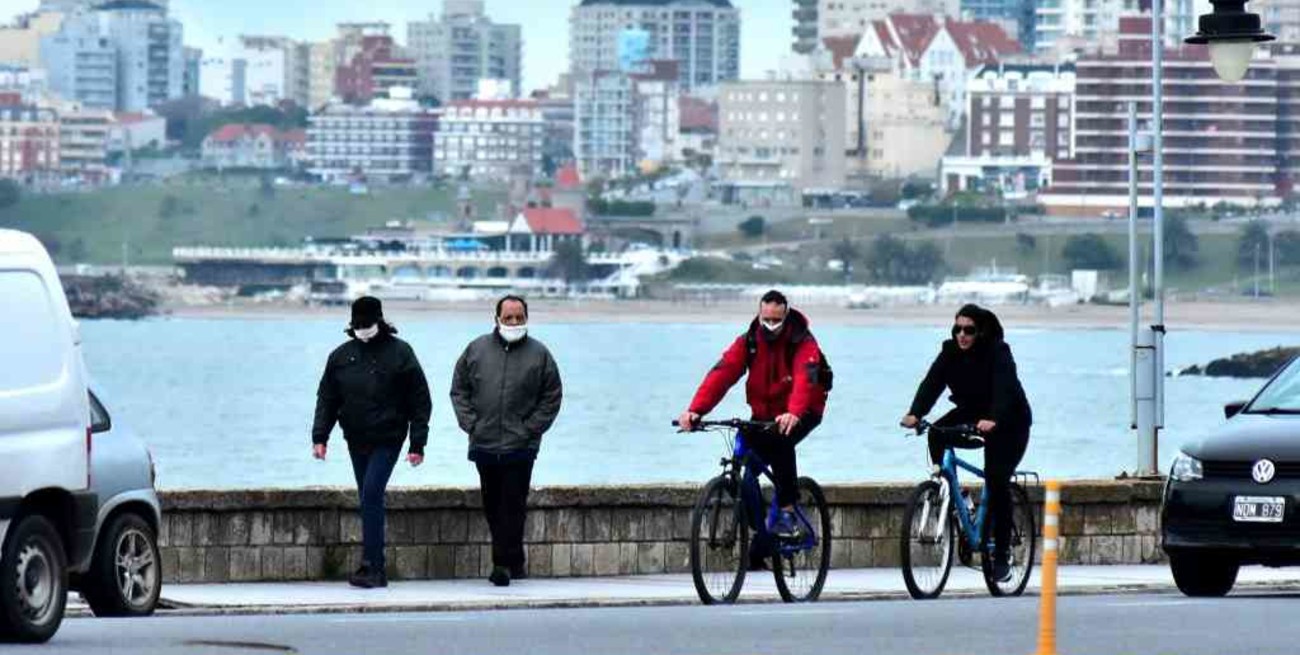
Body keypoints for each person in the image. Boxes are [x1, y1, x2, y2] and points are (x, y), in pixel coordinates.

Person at [677, 290, 829, 570]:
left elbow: (805, 381)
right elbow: (722, 373)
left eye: (776, 320)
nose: (770, 324)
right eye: (765, 319)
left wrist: (794, 412)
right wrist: (695, 410)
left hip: (804, 410)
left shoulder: (802, 341)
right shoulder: (749, 341)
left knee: (782, 441)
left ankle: (787, 511)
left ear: (785, 316)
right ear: (759, 315)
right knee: (747, 473)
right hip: (764, 415)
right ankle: (761, 542)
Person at [900, 303, 1032, 583]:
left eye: (969, 330)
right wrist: (916, 413)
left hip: (1009, 421)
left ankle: (1002, 556)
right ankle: (951, 488)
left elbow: (1005, 387)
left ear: (980, 332)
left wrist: (994, 418)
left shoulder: (998, 352)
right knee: (936, 432)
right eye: (957, 329)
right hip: (972, 413)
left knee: (997, 480)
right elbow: (932, 383)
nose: (962, 335)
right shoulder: (949, 352)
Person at [311, 296, 431, 589]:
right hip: (356, 438)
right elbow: (327, 399)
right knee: (367, 499)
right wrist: (320, 437)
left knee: (372, 494)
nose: (363, 329)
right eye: (358, 325)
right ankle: (372, 565)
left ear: (379, 321)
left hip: (389, 438)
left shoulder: (401, 353)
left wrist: (417, 444)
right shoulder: (340, 356)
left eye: (367, 324)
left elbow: (420, 400)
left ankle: (373, 566)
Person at [451, 295, 563, 587]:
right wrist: (471, 424)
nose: (514, 322)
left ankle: (501, 565)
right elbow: (459, 390)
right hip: (484, 443)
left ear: (527, 318)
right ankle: (515, 562)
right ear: (497, 318)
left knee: (512, 505)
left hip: (521, 446)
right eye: (509, 317)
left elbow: (551, 397)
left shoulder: (540, 355)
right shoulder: (475, 349)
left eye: (519, 317)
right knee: (492, 505)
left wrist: (529, 430)